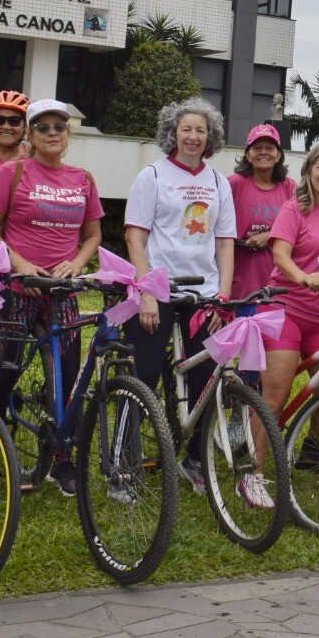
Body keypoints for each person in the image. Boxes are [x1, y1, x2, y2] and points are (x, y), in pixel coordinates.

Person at [0, 98, 103, 496]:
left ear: (69, 135)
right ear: (29, 136)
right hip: (16, 290)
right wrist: (19, 263)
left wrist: (78, 263)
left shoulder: (83, 178)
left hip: (61, 294)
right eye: (43, 127)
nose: (52, 134)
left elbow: (93, 235)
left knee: (67, 381)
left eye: (59, 127)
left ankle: (62, 461)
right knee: (2, 376)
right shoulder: (11, 172)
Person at [122, 99, 236, 492]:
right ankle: (123, 465)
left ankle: (195, 461)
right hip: (159, 291)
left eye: (201, 130)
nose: (193, 136)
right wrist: (147, 293)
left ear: (211, 137)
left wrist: (222, 295)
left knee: (207, 377)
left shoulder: (219, 183)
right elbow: (135, 238)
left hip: (202, 295)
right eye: (186, 129)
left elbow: (224, 244)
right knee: (145, 374)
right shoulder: (152, 176)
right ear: (173, 133)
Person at [256, 141, 319, 503]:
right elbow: (279, 252)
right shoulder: (294, 208)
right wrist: (302, 276)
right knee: (276, 392)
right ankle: (253, 473)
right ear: (309, 171)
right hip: (286, 309)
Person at [227, 124, 295, 302]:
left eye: (269, 148)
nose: (263, 152)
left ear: (278, 155)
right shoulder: (234, 184)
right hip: (239, 280)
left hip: (278, 282)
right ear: (248, 155)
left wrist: (270, 234)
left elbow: (301, 230)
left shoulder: (289, 187)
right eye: (257, 148)